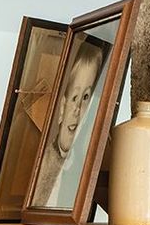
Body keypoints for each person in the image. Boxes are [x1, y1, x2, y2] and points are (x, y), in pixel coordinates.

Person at [29, 33, 108, 208]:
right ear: (63, 105)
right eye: (74, 98)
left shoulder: (84, 162)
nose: (77, 109)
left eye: (86, 97)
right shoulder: (44, 162)